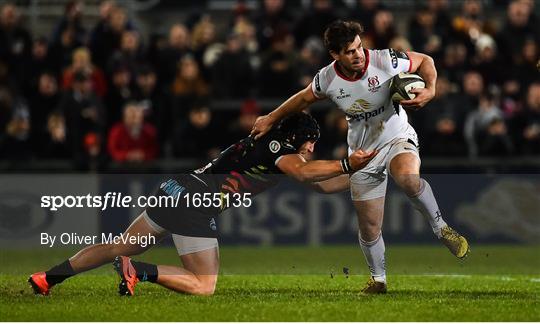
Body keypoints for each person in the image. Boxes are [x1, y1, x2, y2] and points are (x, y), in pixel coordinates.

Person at [28, 112, 377, 296]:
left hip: (176, 187)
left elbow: (320, 184)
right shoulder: (280, 152)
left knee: (121, 243)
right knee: (203, 285)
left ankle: (49, 278)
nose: (313, 149)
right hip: (195, 203)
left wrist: (365, 175)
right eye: (311, 143)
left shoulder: (269, 145)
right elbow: (306, 174)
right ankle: (140, 272)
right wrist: (348, 163)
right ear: (299, 140)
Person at [250, 20, 470, 294]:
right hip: (362, 153)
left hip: (397, 137)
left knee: (407, 178)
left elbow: (425, 60)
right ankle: (379, 280)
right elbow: (303, 99)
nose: (358, 54)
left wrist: (432, 89)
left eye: (358, 47)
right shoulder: (327, 78)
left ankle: (440, 228)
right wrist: (270, 118)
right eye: (350, 51)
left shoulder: (384, 60)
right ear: (335, 55)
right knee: (369, 226)